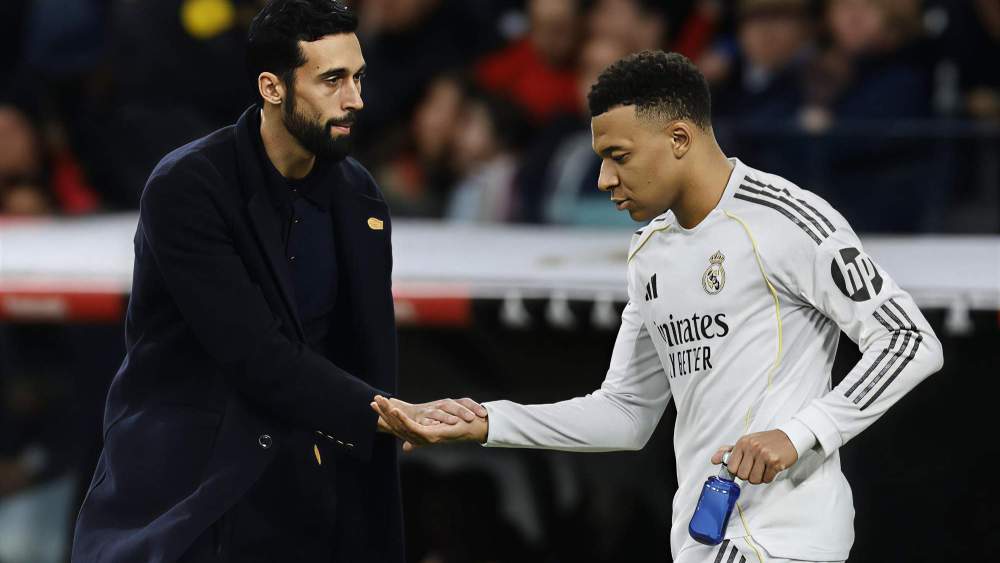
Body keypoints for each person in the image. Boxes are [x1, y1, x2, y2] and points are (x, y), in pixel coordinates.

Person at [373, 51, 944, 562]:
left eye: (617, 155)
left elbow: (909, 340)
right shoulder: (650, 251)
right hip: (702, 540)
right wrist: (488, 421)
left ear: (678, 139)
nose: (603, 179)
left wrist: (800, 434)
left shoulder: (785, 218)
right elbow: (625, 414)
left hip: (783, 540)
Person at [70, 1, 484, 562]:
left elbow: (364, 351)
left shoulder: (358, 196)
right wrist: (384, 411)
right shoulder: (188, 187)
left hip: (301, 506)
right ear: (272, 87)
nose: (355, 100)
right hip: (185, 503)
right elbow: (255, 354)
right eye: (332, 80)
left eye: (358, 77)